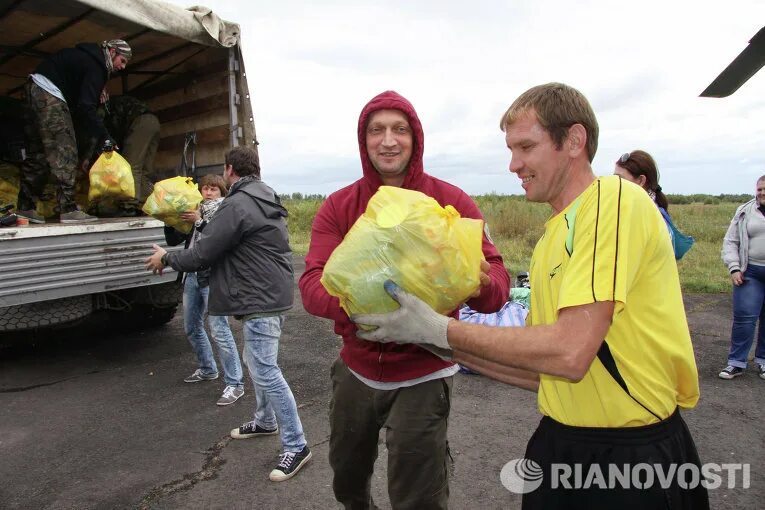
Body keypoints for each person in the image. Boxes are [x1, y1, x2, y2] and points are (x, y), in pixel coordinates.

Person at [353, 83, 708, 509]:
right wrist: (436, 342)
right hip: (562, 441)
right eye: (510, 149)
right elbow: (543, 371)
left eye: (525, 146)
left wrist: (443, 328)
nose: (512, 164)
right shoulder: (551, 238)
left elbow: (569, 353)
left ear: (573, 141)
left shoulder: (613, 200)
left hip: (630, 456)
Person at [298, 90, 510, 509]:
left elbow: (498, 284)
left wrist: (479, 283)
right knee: (347, 480)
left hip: (424, 372)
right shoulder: (341, 206)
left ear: (416, 139)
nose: (388, 140)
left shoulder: (451, 202)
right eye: (377, 130)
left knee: (418, 497)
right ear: (364, 141)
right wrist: (361, 309)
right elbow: (311, 283)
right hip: (355, 370)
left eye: (400, 129)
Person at [145, 146, 311, 482]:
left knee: (265, 369)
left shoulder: (238, 203)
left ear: (229, 169)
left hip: (260, 296)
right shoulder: (266, 196)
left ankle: (297, 445)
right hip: (271, 292)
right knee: (256, 361)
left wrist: (166, 258)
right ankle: (265, 421)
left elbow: (203, 252)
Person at [17, 39, 131, 224]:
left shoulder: (85, 59)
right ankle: (68, 209)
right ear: (111, 52)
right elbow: (86, 108)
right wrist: (105, 137)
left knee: (37, 153)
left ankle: (25, 207)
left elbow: (79, 107)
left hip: (33, 89)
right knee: (66, 151)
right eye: (122, 61)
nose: (122, 67)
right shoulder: (98, 66)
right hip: (49, 94)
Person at [163, 174, 245, 406]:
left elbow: (217, 240)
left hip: (213, 277)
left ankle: (235, 384)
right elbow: (173, 240)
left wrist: (199, 220)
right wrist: (170, 217)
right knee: (191, 326)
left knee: (220, 330)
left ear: (222, 193)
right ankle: (208, 369)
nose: (208, 193)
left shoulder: (222, 212)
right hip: (192, 275)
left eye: (214, 190)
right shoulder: (195, 210)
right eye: (205, 189)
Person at [719, 175, 765, 380]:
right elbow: (730, 241)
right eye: (760, 189)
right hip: (750, 272)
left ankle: (763, 361)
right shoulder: (745, 211)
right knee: (745, 318)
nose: (762, 193)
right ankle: (736, 362)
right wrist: (734, 268)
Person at [614, 150, 693, 260]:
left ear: (641, 180)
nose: (615, 184)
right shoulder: (643, 211)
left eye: (620, 179)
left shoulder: (650, 216)